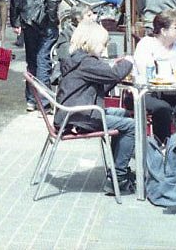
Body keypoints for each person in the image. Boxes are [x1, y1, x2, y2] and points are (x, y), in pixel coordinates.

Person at [54, 20, 136, 194]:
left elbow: (102, 84)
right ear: (90, 42)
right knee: (131, 127)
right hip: (81, 116)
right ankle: (119, 177)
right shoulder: (88, 62)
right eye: (103, 45)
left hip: (72, 113)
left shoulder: (77, 58)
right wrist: (128, 61)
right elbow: (114, 74)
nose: (104, 50)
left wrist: (113, 72)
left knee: (122, 114)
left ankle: (114, 171)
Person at [11, 0, 64, 112]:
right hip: (44, 20)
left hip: (27, 19)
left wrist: (16, 20)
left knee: (32, 59)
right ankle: (44, 102)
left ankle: (31, 100)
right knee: (43, 59)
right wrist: (52, 18)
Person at [133, 9, 176, 154]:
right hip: (150, 93)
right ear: (163, 30)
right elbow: (147, 75)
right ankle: (163, 150)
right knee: (162, 109)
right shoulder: (146, 44)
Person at [51, 4, 94, 83]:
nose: (93, 18)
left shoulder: (94, 31)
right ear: (78, 18)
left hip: (89, 70)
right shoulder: (66, 35)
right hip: (72, 74)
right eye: (89, 15)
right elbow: (66, 59)